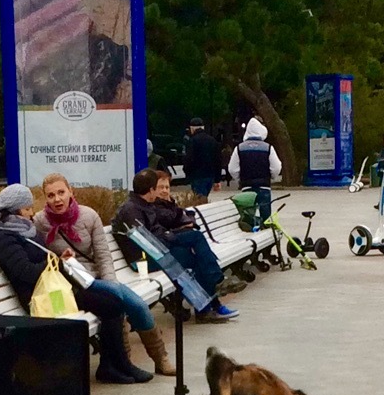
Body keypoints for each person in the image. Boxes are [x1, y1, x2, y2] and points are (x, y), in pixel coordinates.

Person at [0, 183, 151, 384]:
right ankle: (115, 366)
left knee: (111, 302)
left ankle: (115, 365)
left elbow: (39, 259)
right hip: (41, 296)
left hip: (54, 288)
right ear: (17, 210)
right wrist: (55, 262)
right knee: (110, 304)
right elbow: (24, 271)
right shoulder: (4, 236)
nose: (32, 214)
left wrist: (58, 258)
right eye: (28, 208)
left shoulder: (20, 230)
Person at [35, 172, 172, 375]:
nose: (57, 199)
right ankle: (126, 362)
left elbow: (103, 255)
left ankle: (160, 358)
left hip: (95, 278)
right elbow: (39, 257)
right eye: (51, 195)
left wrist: (110, 283)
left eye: (61, 192)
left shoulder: (88, 216)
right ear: (45, 198)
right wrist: (58, 259)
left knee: (130, 301)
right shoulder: (40, 222)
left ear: (71, 191)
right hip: (70, 282)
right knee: (126, 302)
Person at [112, 168, 238, 321]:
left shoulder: (143, 204)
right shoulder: (132, 210)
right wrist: (170, 236)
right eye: (157, 188)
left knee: (192, 256)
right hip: (144, 258)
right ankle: (215, 289)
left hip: (157, 250)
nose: (162, 191)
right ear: (151, 190)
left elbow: (157, 230)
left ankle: (208, 306)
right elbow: (144, 240)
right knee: (195, 240)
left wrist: (169, 234)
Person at [227, 116, 282, 223]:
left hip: (246, 187)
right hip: (264, 187)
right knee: (266, 218)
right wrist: (272, 177)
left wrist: (239, 179)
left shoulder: (239, 148)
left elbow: (232, 169)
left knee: (248, 218)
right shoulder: (268, 147)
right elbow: (276, 167)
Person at [182, 119, 221, 202]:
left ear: (192, 128)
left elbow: (188, 159)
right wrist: (217, 179)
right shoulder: (212, 141)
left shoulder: (192, 141)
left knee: (199, 200)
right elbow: (218, 160)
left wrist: (187, 172)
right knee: (204, 197)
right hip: (210, 176)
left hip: (197, 176)